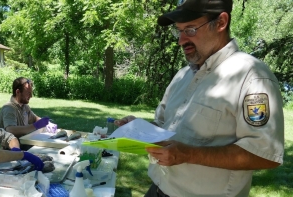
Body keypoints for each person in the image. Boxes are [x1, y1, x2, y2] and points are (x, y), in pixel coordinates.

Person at [116, 0, 284, 196]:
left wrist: (188, 154)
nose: (181, 40)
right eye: (178, 31)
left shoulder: (251, 75)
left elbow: (265, 154)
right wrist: (139, 129)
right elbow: (164, 127)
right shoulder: (182, 76)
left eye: (190, 29)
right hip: (156, 189)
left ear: (221, 22)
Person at [0, 77, 50, 150]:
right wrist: (35, 126)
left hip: (24, 146)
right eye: (28, 93)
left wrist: (46, 123)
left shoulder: (24, 106)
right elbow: (10, 129)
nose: (31, 96)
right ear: (18, 92)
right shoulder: (9, 108)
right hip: (10, 150)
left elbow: (35, 118)